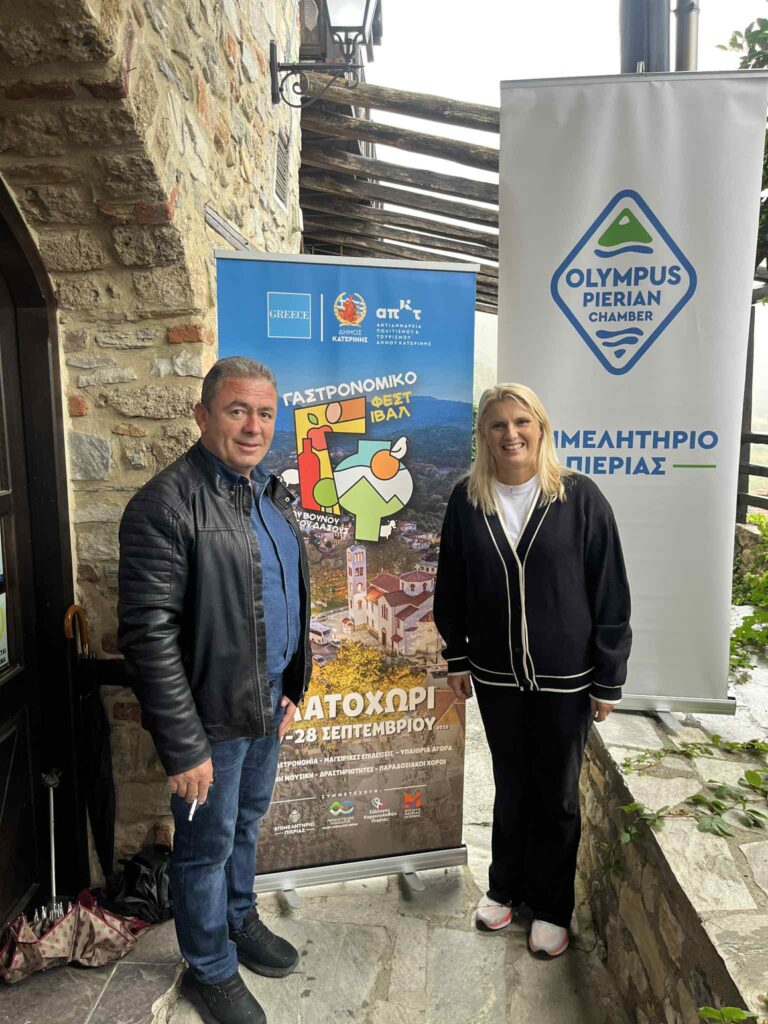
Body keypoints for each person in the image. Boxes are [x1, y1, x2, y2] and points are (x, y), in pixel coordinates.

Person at [118, 356, 311, 1024]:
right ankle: (209, 967)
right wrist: (183, 745)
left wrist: (293, 686)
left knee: (246, 824)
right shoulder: (165, 505)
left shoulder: (268, 494)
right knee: (203, 850)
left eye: (265, 413)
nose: (253, 426)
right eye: (237, 411)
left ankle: (238, 917)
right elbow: (147, 637)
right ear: (203, 416)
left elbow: (284, 598)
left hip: (266, 706)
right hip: (210, 722)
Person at [434, 383, 631, 959]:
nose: (511, 434)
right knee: (511, 783)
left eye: (522, 422)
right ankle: (505, 887)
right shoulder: (467, 500)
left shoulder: (579, 497)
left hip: (567, 679)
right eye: (498, 424)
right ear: (483, 434)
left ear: (541, 428)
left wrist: (609, 676)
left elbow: (610, 590)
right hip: (496, 676)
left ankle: (551, 906)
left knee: (558, 794)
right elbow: (452, 584)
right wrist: (457, 656)